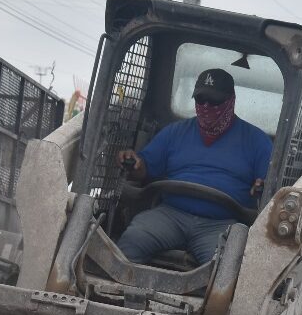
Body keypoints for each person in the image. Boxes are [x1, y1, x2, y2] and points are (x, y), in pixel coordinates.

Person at [116, 68, 271, 264]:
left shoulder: (256, 141)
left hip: (221, 224)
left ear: (231, 100)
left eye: (214, 101)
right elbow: (143, 168)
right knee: (132, 241)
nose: (206, 106)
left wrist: (260, 186)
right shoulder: (175, 133)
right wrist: (133, 163)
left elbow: (267, 186)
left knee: (223, 268)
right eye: (200, 100)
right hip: (170, 214)